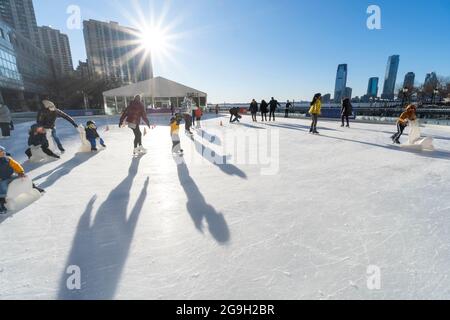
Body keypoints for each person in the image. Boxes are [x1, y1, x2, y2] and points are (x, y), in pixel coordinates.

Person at [0, 146, 45, 214]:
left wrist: (21, 172)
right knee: (3, 188)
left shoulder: (7, 159)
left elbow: (16, 165)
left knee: (25, 178)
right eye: (1, 151)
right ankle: (2, 204)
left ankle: (34, 187)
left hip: (11, 176)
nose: (3, 152)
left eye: (3, 151)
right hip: (2, 179)